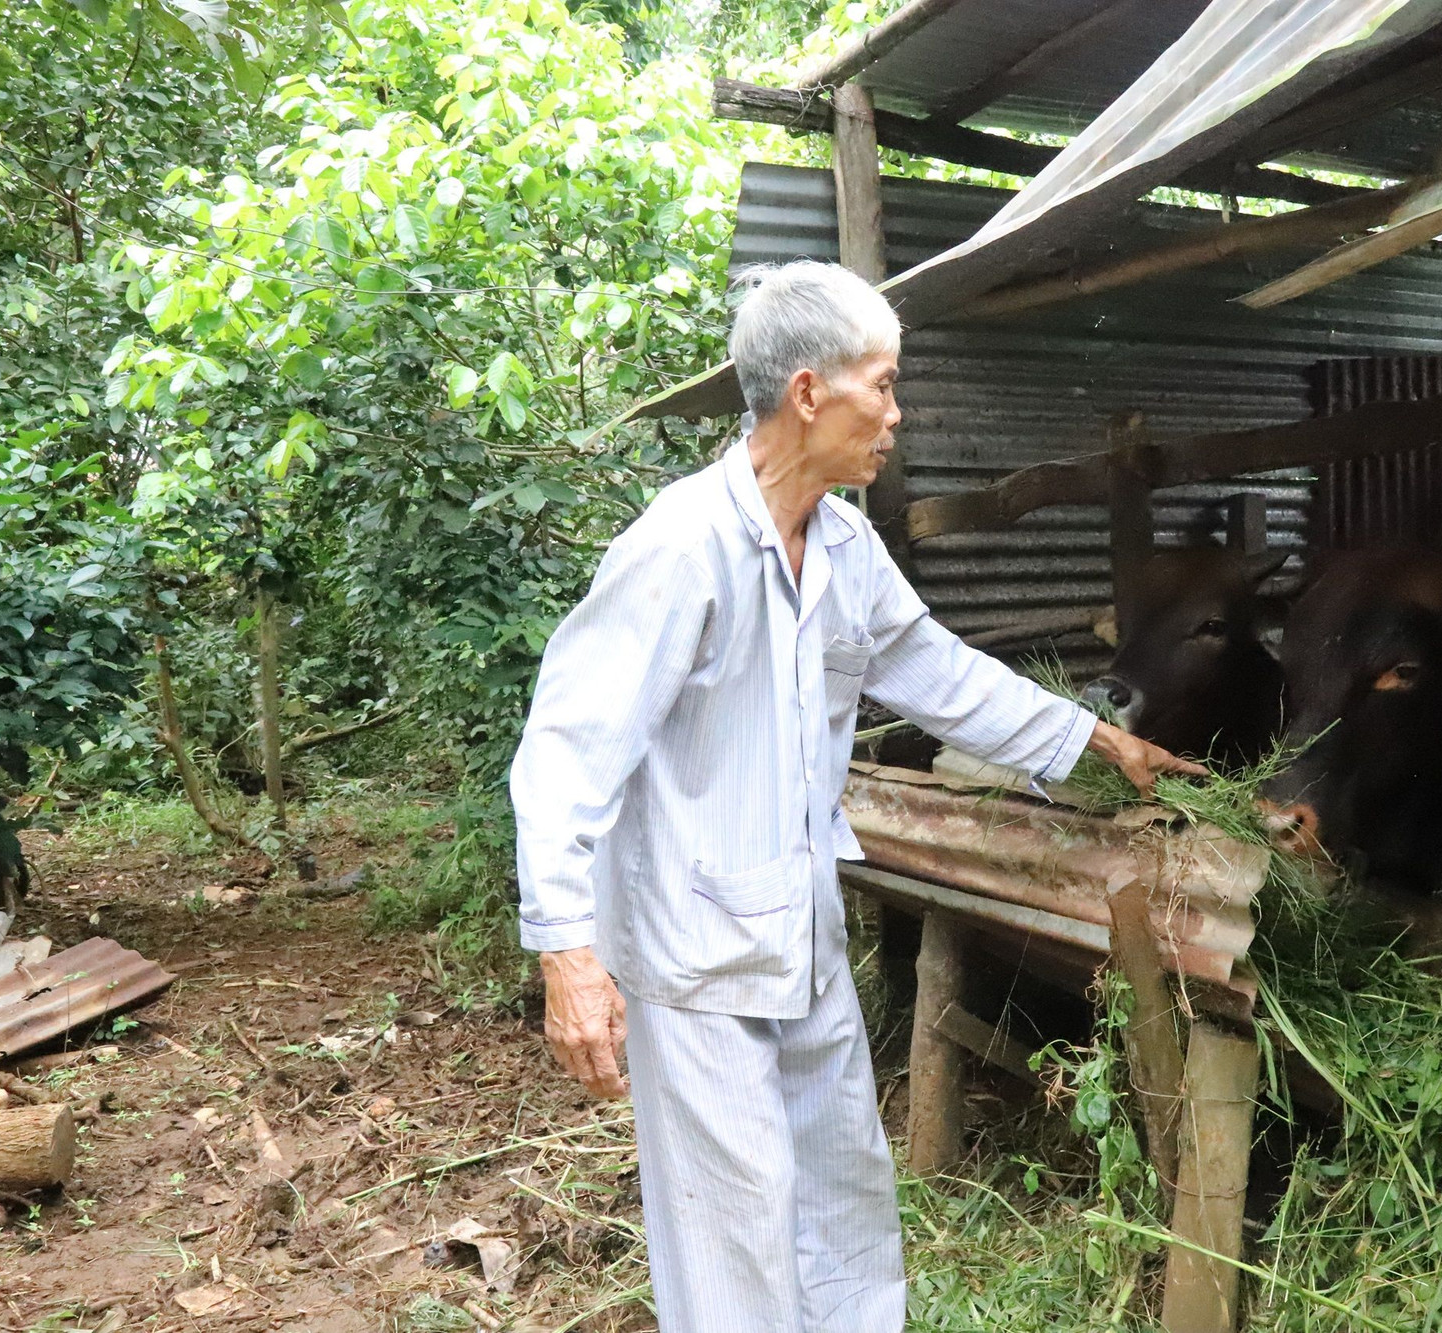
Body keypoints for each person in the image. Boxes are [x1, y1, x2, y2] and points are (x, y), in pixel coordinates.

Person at [509, 260, 1204, 1333]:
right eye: (881, 385)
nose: (894, 413)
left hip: (799, 924)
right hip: (694, 952)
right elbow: (566, 749)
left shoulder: (841, 544)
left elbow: (938, 670)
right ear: (806, 394)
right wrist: (567, 951)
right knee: (730, 1230)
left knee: (842, 1196)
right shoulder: (680, 547)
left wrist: (1095, 738)